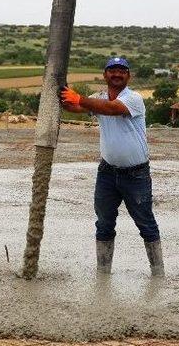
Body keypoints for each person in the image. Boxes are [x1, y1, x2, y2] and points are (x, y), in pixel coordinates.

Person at [59, 57, 164, 276]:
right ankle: (103, 273)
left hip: (136, 174)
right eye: (112, 71)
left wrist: (80, 97)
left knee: (145, 223)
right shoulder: (98, 98)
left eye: (122, 71)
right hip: (107, 173)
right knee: (104, 223)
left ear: (128, 76)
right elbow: (74, 106)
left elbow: (111, 109)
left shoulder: (133, 98)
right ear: (105, 75)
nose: (117, 74)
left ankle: (158, 273)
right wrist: (60, 90)